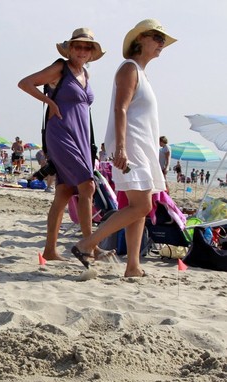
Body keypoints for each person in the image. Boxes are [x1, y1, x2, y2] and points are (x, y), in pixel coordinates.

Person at [71, 19, 176, 278]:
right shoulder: (129, 69)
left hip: (143, 147)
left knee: (139, 206)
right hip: (132, 146)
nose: (161, 44)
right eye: (157, 38)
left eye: (163, 40)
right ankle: (87, 244)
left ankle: (132, 266)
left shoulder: (141, 72)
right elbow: (121, 108)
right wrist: (120, 148)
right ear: (140, 39)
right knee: (141, 207)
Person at [18, 27, 105, 261]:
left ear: (91, 52)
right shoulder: (60, 68)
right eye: (78, 46)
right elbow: (25, 83)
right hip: (61, 134)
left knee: (65, 192)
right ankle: (90, 246)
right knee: (87, 186)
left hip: (82, 138)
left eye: (87, 47)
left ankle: (50, 250)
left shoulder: (85, 74)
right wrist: (49, 102)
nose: (82, 50)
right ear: (70, 48)